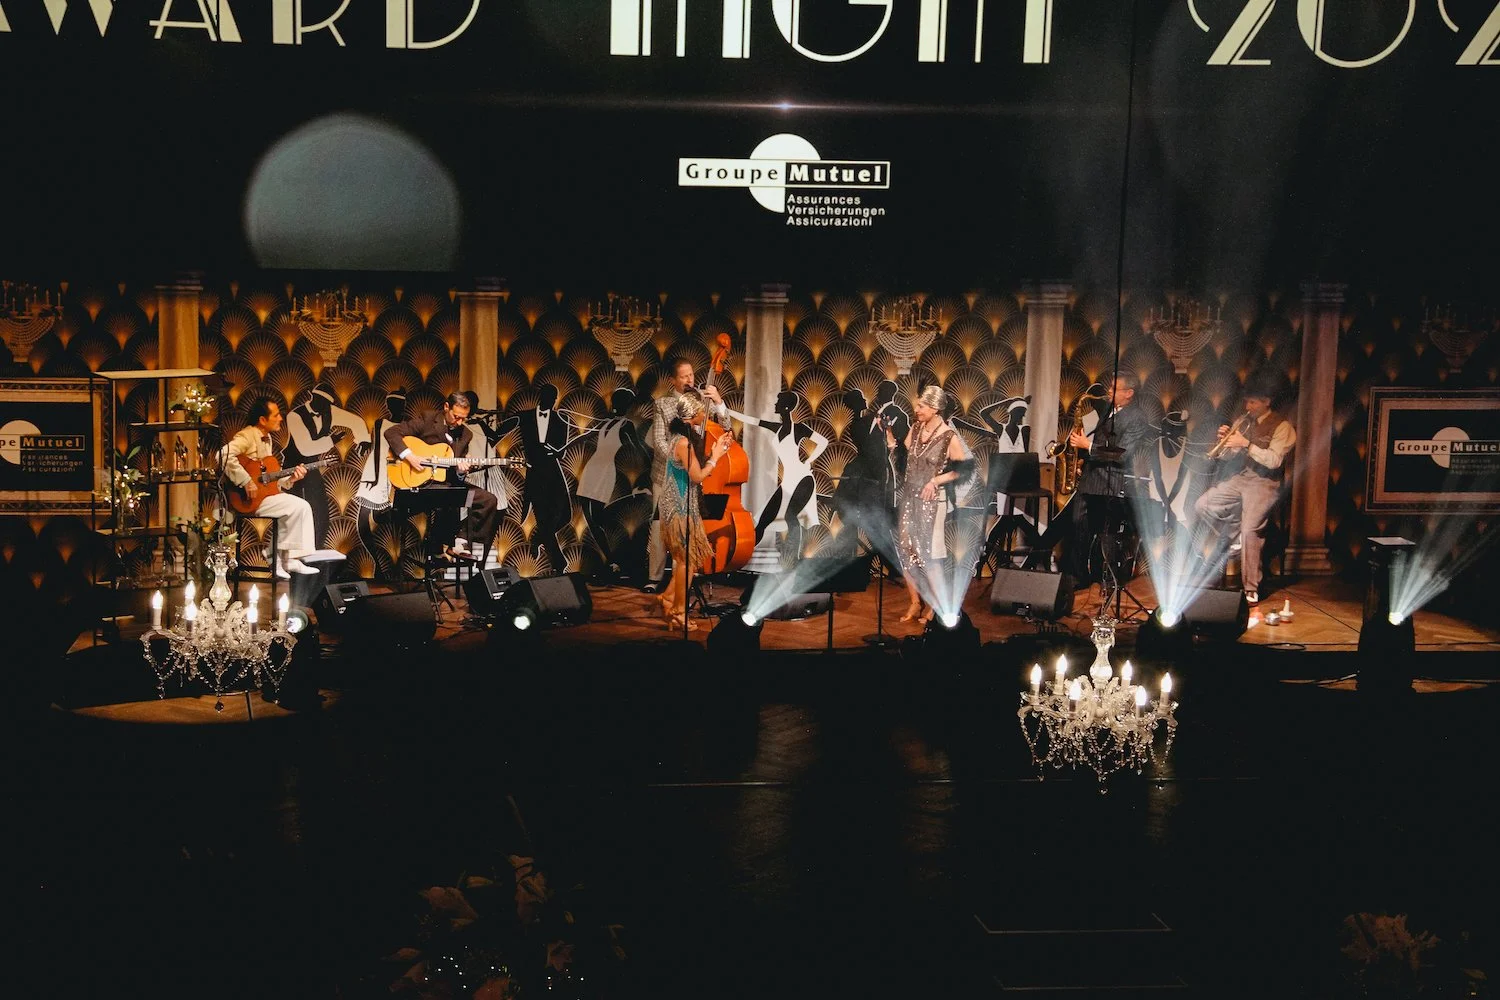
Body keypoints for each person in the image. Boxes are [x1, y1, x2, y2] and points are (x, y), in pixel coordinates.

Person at [1193, 383, 1296, 605]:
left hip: (1265, 482)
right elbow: (1229, 458)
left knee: (1250, 530)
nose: (1248, 406)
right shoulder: (1245, 422)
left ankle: (1251, 587)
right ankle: (1235, 537)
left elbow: (1274, 461)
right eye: (1247, 401)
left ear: (1266, 402)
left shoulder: (1283, 427)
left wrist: (1246, 444)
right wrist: (1225, 443)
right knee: (1203, 505)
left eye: (1253, 402)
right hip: (1241, 477)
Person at [383, 391, 500, 559]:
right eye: (456, 416)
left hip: (447, 483)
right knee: (448, 495)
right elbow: (391, 433)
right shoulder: (428, 419)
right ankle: (438, 547)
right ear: (446, 407)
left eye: (464, 418)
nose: (459, 422)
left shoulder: (466, 434)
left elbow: (457, 473)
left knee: (488, 500)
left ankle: (461, 542)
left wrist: (461, 470)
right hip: (421, 484)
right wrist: (410, 456)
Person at [1065, 372, 1154, 587]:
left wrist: (1088, 447)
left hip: (1112, 482)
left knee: (1107, 532)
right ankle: (1078, 576)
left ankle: (1106, 577)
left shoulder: (1138, 418)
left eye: (1115, 389)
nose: (1109, 392)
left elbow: (1122, 454)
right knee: (1078, 525)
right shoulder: (1107, 410)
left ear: (1129, 393)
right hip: (1090, 478)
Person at [891, 385, 971, 624]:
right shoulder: (915, 429)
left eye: (921, 406)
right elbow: (906, 456)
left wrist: (935, 480)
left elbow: (962, 471)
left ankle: (936, 606)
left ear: (935, 408)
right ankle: (915, 601)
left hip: (932, 502)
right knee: (906, 552)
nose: (917, 410)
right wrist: (891, 444)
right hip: (909, 498)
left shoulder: (948, 436)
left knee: (929, 557)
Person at [646, 358, 728, 593]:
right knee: (661, 525)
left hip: (694, 475)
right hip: (667, 474)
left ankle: (680, 580)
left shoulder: (702, 402)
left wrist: (719, 402)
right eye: (684, 376)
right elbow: (659, 440)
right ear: (673, 380)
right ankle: (654, 577)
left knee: (686, 530)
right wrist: (679, 459)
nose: (690, 380)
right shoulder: (663, 404)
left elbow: (726, 425)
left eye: (691, 374)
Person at [656, 390, 731, 630]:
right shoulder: (684, 443)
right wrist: (716, 457)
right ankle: (678, 611)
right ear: (692, 415)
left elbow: (694, 468)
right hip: (679, 508)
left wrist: (715, 450)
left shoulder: (680, 437)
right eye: (701, 411)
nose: (704, 415)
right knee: (687, 561)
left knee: (684, 559)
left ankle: (668, 597)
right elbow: (698, 476)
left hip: (679, 504)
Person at [221, 397, 318, 578]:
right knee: (297, 507)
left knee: (301, 506)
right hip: (249, 499)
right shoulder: (247, 435)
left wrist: (292, 478)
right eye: (276, 415)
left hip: (265, 495)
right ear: (262, 420)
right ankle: (277, 557)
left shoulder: (267, 439)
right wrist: (245, 481)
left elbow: (268, 477)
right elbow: (223, 455)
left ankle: (285, 557)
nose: (281, 418)